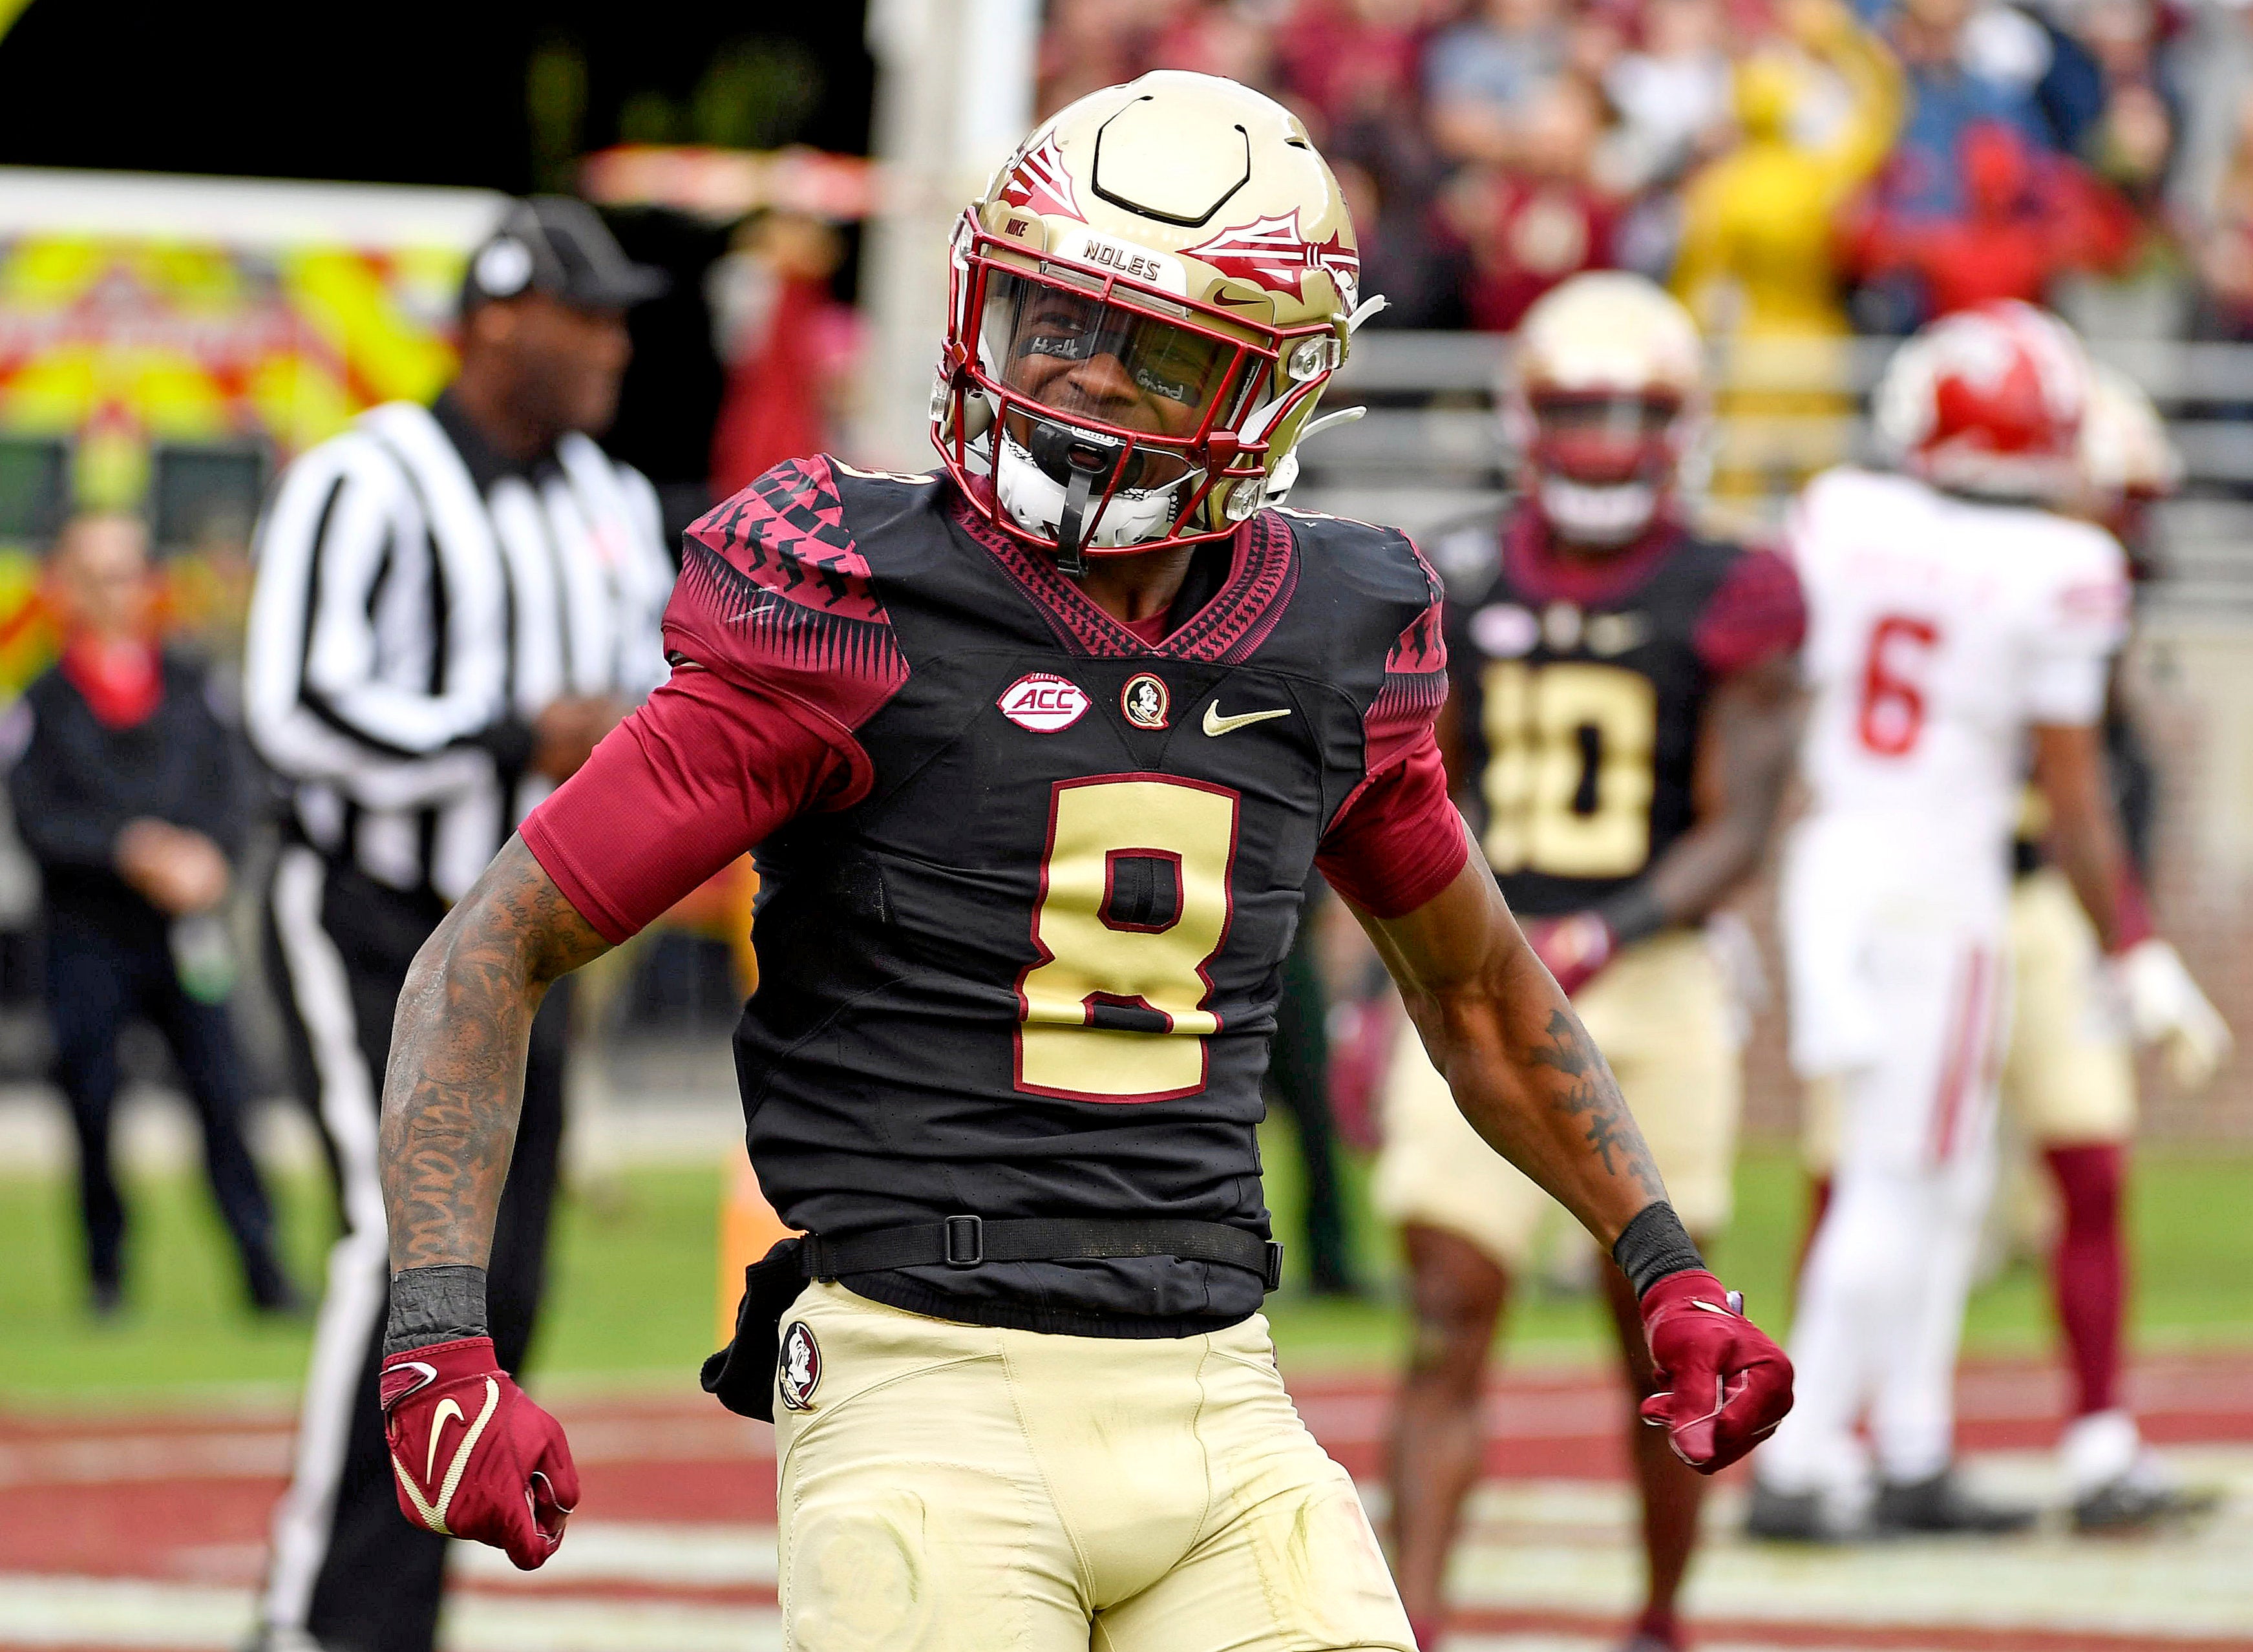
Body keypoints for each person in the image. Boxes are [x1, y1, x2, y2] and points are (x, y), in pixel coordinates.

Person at [363, 73, 1792, 1652]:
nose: (1077, 376)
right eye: (1048, 316)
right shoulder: (848, 602)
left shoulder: (1334, 633)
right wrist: (438, 1335)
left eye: (1153, 348)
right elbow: (486, 952)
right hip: (921, 1391)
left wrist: (1662, 1261)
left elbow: (1475, 989)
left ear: (1270, 387)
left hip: (1219, 1391)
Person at [240, 196, 673, 1652]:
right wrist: (507, 735)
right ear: (499, 320)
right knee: (397, 1248)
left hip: (524, 948)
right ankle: (313, 1617)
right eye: (589, 314)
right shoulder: (368, 478)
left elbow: (650, 695)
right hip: (367, 911)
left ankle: (392, 1612)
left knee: (504, 1284)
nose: (616, 344)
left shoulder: (610, 501)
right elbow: (295, 708)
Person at [1374, 273, 1804, 1652]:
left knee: (1665, 1334)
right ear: (1524, 419)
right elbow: (1392, 797)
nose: (1605, 438)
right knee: (1449, 1305)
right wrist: (1362, 985)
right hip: (1472, 966)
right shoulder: (1455, 574)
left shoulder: (1738, 585)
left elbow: (1744, 815)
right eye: (1576, 409)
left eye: (1633, 410)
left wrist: (1609, 929)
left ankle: (1663, 1616)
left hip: (1658, 976)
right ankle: (1420, 1622)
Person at [1751, 301, 2202, 1540]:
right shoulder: (2062, 567)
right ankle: (1802, 1462)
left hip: (1834, 859)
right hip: (1936, 894)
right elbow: (2072, 791)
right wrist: (2134, 943)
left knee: (1934, 1180)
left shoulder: (1843, 511)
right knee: (1897, 1179)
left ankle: (1904, 1442)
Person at [6, 511, 295, 1317]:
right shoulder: (43, 701)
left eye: (129, 571)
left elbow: (235, 792)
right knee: (92, 1104)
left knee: (223, 1094)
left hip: (185, 932)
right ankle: (106, 1276)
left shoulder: (195, 686)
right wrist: (126, 848)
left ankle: (263, 1270)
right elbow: (37, 818)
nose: (117, 592)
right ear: (64, 588)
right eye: (97, 575)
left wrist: (207, 860)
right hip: (87, 937)